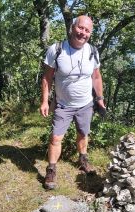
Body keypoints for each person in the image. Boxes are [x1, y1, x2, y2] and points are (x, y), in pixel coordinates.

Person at [40, 15, 106, 190]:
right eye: (80, 28)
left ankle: (83, 159)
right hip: (63, 104)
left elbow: (96, 77)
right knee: (55, 137)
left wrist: (100, 98)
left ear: (90, 34)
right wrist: (45, 101)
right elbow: (47, 78)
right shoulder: (56, 49)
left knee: (83, 133)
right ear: (72, 27)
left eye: (87, 30)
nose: (82, 33)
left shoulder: (92, 51)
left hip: (86, 103)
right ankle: (51, 169)